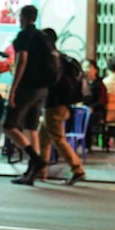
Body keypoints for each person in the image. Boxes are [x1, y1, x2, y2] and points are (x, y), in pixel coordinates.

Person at [4, 5, 57, 185]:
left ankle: (35, 159)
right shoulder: (43, 37)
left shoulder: (24, 35)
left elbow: (22, 61)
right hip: (43, 89)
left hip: (27, 87)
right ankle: (32, 173)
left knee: (8, 125)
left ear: (23, 17)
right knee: (31, 129)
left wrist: (13, 89)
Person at [33, 28, 86, 186]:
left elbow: (47, 83)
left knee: (58, 138)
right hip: (63, 105)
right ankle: (41, 171)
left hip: (54, 105)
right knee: (44, 137)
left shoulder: (50, 59)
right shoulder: (61, 58)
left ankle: (77, 169)